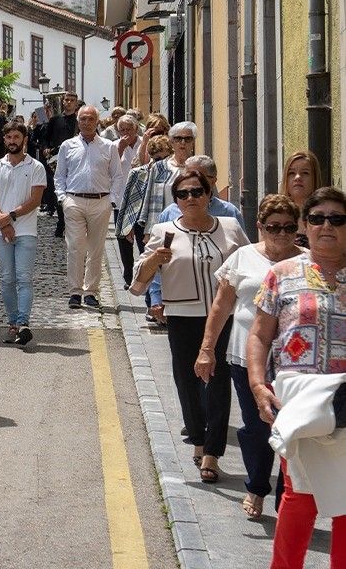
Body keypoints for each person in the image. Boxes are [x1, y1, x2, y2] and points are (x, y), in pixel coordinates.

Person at [247, 186, 346, 568]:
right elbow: (259, 334)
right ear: (305, 225)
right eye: (318, 218)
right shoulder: (281, 275)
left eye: (337, 219)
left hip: (345, 404)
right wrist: (258, 386)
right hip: (298, 402)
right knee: (299, 497)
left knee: (345, 501)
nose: (327, 226)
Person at [132, 171, 249, 484]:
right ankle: (198, 439)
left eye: (197, 191)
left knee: (220, 380)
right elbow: (137, 283)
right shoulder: (163, 231)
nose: (191, 198)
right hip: (182, 315)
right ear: (176, 199)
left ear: (209, 194)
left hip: (223, 316)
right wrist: (155, 259)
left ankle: (212, 453)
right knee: (187, 380)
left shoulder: (231, 227)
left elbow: (250, 265)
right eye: (183, 194)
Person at [193, 194, 303, 520]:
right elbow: (221, 306)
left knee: (292, 429)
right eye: (273, 227)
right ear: (259, 227)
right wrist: (206, 349)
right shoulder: (242, 258)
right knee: (257, 427)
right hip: (245, 359)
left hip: (295, 365)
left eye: (288, 228)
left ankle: (286, 496)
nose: (281, 234)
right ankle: (256, 485)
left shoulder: (307, 262)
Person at [146, 155, 244, 321]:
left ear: (212, 181)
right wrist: (156, 296)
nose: (191, 183)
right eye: (187, 176)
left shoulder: (230, 214)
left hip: (223, 303)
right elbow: (158, 261)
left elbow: (242, 257)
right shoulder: (169, 214)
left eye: (198, 178)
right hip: (182, 305)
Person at [54, 105, 124, 310]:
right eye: (83, 119)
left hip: (100, 201)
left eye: (90, 119)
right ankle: (75, 292)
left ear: (97, 121)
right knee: (75, 247)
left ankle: (91, 291)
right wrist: (62, 198)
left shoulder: (108, 146)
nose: (86, 122)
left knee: (96, 249)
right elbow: (60, 175)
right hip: (74, 200)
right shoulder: (67, 146)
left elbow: (117, 176)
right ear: (78, 121)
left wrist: (112, 200)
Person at [0, 122, 47, 346]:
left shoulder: (36, 166)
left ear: (25, 139)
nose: (12, 141)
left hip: (26, 231)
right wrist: (3, 222)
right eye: (9, 137)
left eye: (16, 137)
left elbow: (35, 200)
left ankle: (23, 323)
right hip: (2, 231)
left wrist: (9, 217)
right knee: (7, 279)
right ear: (4, 140)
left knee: (24, 278)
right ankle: (13, 323)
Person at [117, 135, 172, 304]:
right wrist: (127, 228)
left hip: (169, 224)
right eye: (156, 159)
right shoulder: (138, 173)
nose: (160, 162)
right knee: (149, 263)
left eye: (164, 158)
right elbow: (128, 202)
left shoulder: (174, 173)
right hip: (145, 225)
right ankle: (151, 303)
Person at [39, 91, 80, 235]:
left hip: (76, 161)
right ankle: (61, 222)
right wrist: (45, 149)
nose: (68, 102)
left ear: (76, 103)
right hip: (56, 161)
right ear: (63, 102)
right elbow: (44, 139)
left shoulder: (80, 120)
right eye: (66, 100)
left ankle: (70, 222)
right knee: (60, 192)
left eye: (71, 100)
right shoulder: (55, 120)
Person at [280, 150, 323, 247]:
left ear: (314, 178)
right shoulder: (273, 215)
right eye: (291, 173)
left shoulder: (327, 216)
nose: (298, 177)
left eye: (305, 173)